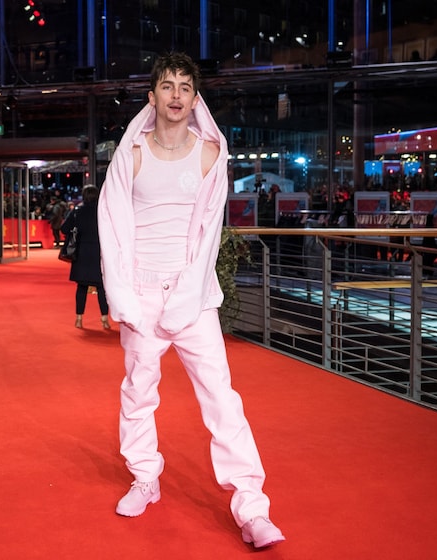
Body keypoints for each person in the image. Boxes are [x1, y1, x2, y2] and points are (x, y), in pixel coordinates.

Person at [97, 52, 285, 550]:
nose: (176, 95)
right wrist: (123, 297)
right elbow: (112, 229)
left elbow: (208, 236)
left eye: (185, 86)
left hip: (194, 298)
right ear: (152, 96)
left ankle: (252, 507)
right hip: (141, 293)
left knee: (222, 401)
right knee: (137, 393)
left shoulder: (209, 155)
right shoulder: (130, 156)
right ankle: (145, 478)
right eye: (167, 85)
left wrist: (189, 292)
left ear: (195, 99)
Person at [60, 184, 109, 330]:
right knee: (101, 287)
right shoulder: (103, 212)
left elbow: (63, 229)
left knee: (81, 286)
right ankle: (104, 319)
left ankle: (79, 319)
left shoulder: (77, 211)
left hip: (81, 253)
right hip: (99, 253)